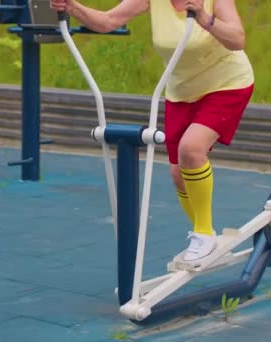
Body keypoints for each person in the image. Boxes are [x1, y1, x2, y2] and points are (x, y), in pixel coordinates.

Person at [51, 0, 254, 261]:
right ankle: (206, 234)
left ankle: (203, 234)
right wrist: (71, 7)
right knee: (178, 174)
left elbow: (238, 39)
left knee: (191, 150)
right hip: (182, 92)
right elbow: (109, 21)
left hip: (226, 84)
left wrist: (205, 18)